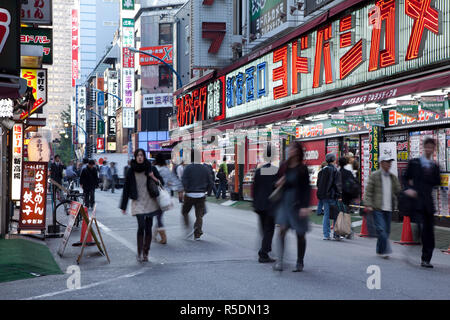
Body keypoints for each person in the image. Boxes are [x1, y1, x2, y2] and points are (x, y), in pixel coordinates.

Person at [272, 141, 311, 272]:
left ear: (298, 151)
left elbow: (306, 188)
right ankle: (280, 261)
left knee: (300, 233)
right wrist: (279, 182)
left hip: (298, 203)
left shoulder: (302, 168)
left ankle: (300, 261)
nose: (290, 150)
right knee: (281, 230)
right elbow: (276, 183)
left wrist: (305, 206)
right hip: (285, 202)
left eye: (293, 148)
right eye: (289, 148)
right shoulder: (284, 166)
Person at [403, 138, 441, 268]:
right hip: (416, 202)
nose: (429, 149)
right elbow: (405, 177)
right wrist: (408, 189)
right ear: (424, 148)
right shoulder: (414, 163)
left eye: (432, 147)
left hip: (428, 203)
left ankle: (426, 259)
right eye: (427, 147)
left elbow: (437, 182)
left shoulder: (435, 166)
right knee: (421, 228)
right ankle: (418, 238)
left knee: (429, 232)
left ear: (434, 149)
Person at [120, 149, 162, 262]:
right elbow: (126, 188)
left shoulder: (151, 168)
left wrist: (153, 177)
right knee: (141, 226)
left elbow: (160, 182)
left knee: (148, 227)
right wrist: (123, 206)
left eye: (142, 155)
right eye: (138, 155)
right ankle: (139, 252)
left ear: (144, 157)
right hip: (137, 201)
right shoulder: (131, 170)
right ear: (135, 157)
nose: (140, 157)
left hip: (150, 201)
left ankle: (146, 252)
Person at [364, 154, 401, 258]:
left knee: (387, 231)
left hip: (389, 208)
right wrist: (368, 204)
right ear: (381, 163)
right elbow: (368, 191)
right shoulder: (375, 176)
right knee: (381, 230)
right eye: (387, 162)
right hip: (377, 208)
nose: (389, 164)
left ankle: (380, 250)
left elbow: (398, 190)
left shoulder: (392, 177)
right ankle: (385, 251)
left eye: (390, 162)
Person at [252, 149, 278, 263]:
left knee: (264, 228)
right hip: (270, 204)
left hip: (259, 204)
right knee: (269, 230)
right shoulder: (275, 171)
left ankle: (265, 248)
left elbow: (255, 188)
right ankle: (263, 252)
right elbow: (276, 188)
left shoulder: (258, 171)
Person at [181, 149, 214, 240]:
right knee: (199, 215)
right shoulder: (205, 168)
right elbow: (211, 182)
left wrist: (187, 189)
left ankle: (188, 228)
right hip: (201, 195)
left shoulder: (188, 168)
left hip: (189, 194)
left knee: (184, 212)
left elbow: (184, 181)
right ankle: (197, 233)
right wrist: (206, 191)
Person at [154, 153, 181, 244]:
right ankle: (155, 234)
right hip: (166, 195)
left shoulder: (157, 170)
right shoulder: (167, 170)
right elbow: (173, 182)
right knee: (159, 215)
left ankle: (163, 237)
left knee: (158, 216)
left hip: (158, 195)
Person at [317, 153, 342, 240]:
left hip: (324, 196)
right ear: (334, 160)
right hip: (332, 195)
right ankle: (336, 234)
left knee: (326, 215)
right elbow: (337, 184)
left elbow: (318, 183)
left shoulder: (322, 170)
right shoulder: (335, 170)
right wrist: (339, 195)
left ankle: (326, 235)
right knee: (336, 215)